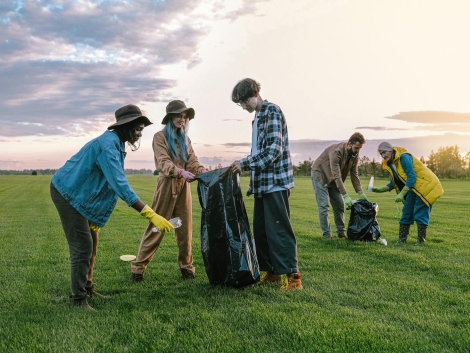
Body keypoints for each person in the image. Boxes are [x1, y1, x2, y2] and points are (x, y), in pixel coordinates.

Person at [50, 104, 174, 311]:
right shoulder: (108, 146)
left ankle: (88, 286)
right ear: (125, 126)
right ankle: (78, 299)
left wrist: (95, 218)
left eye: (142, 129)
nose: (139, 133)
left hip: (81, 195)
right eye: (137, 128)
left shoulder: (116, 144)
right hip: (67, 193)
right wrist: (150, 214)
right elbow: (119, 184)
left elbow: (102, 184)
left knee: (93, 241)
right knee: (82, 247)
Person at [230, 78, 302, 290]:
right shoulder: (258, 117)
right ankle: (272, 273)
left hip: (276, 182)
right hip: (262, 184)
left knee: (279, 230)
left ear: (255, 94)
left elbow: (273, 150)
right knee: (262, 230)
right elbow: (259, 151)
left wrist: (244, 163)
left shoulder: (271, 111)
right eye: (240, 104)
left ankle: (294, 277)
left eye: (243, 101)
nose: (243, 106)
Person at [130, 100, 205, 281]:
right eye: (179, 116)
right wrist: (179, 172)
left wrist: (200, 170)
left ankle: (187, 268)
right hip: (166, 186)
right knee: (157, 227)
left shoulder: (185, 139)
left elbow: (192, 160)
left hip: (183, 189)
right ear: (170, 117)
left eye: (185, 116)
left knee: (185, 229)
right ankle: (138, 268)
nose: (182, 119)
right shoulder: (159, 137)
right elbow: (163, 161)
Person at [371, 142, 444, 244]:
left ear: (391, 150)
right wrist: (380, 189)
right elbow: (395, 181)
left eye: (384, 152)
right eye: (381, 154)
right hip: (413, 187)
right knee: (407, 212)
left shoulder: (403, 157)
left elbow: (412, 176)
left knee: (420, 211)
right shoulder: (392, 163)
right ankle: (402, 240)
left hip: (425, 185)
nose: (383, 156)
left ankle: (420, 240)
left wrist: (401, 194)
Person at [311, 132, 368, 239]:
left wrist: (360, 192)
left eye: (360, 148)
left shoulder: (354, 155)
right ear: (349, 144)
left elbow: (354, 174)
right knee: (324, 206)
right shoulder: (336, 152)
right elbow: (337, 176)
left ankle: (341, 234)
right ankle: (327, 236)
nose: (358, 151)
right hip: (320, 175)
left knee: (340, 205)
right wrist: (345, 195)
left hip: (333, 179)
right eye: (356, 148)